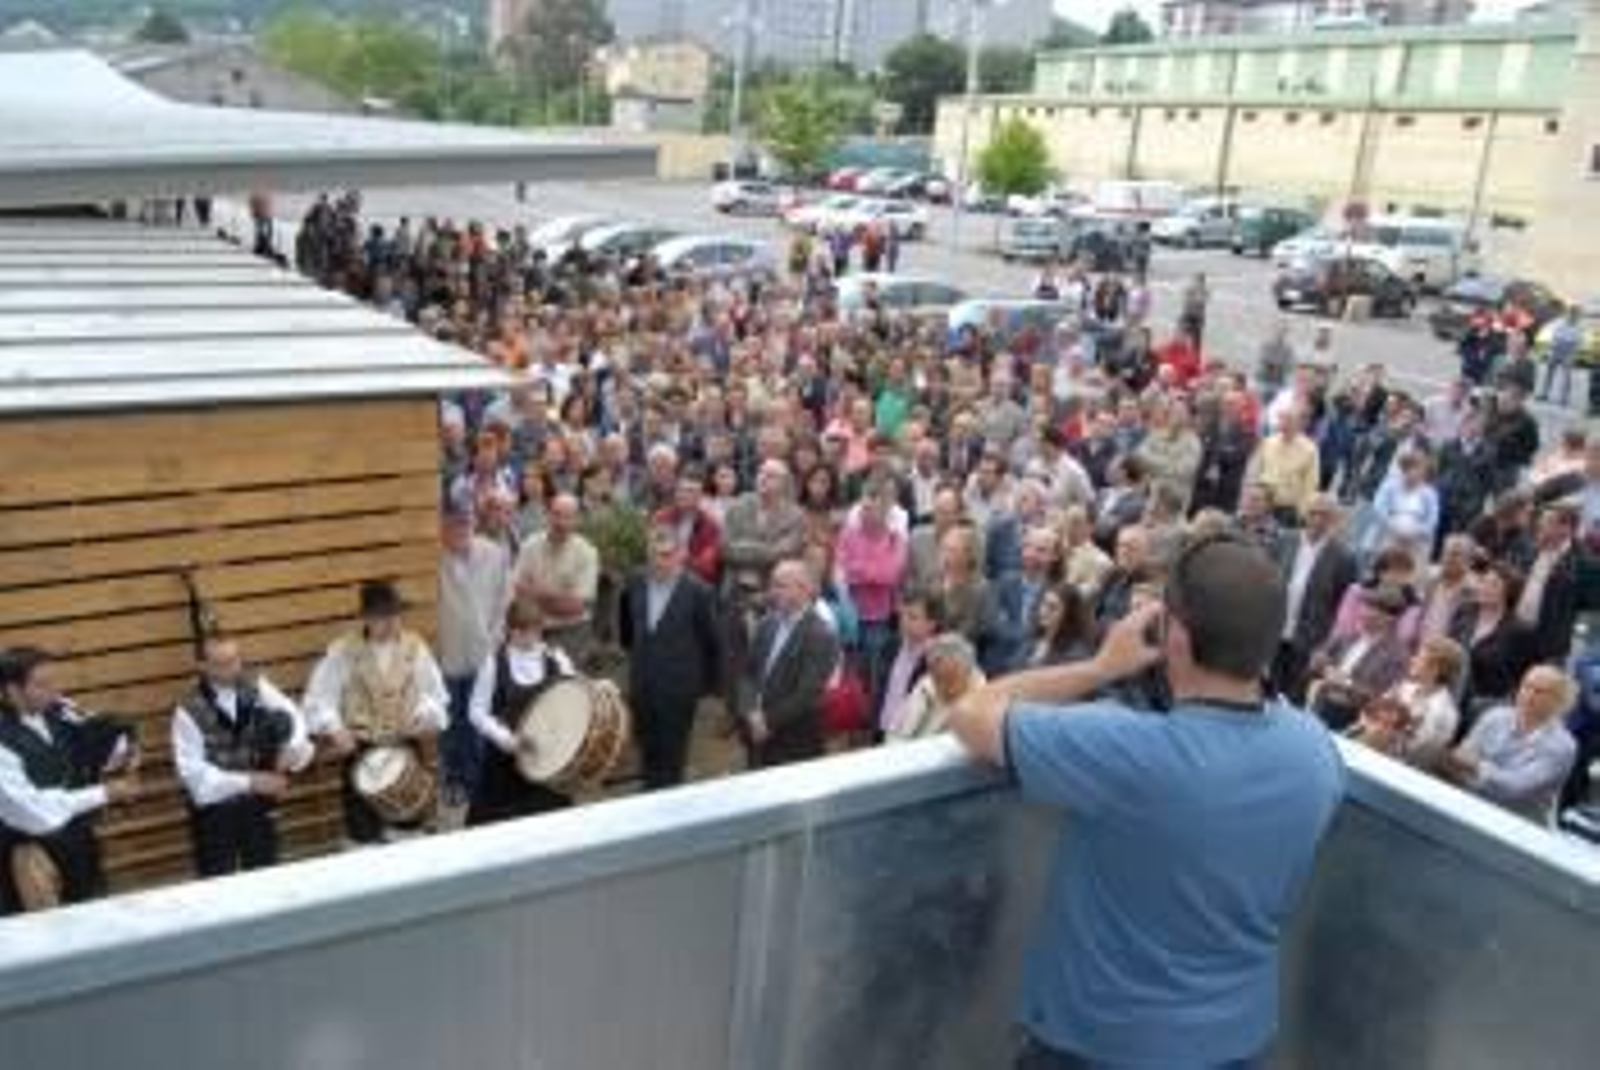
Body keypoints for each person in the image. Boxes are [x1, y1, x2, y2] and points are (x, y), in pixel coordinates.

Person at [948, 535, 1345, 1070]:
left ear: (1172, 634)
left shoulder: (1127, 749)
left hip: (1101, 1045)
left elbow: (971, 710)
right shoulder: (1314, 749)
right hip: (1234, 1042)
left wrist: (1101, 666)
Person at [303, 581, 450, 845]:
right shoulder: (342, 651)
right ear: (367, 618)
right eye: (384, 616)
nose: (392, 623)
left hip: (405, 749)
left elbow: (435, 696)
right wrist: (335, 728)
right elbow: (317, 701)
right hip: (361, 753)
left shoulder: (415, 648)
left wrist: (425, 715)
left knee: (409, 832)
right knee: (364, 837)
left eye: (395, 615)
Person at [0, 648, 141, 914]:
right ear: (13, 691)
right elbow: (35, 813)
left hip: (77, 842)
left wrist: (125, 754)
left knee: (90, 918)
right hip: (25, 851)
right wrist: (105, 793)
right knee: (41, 941)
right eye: (42, 684)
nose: (54, 691)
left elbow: (103, 734)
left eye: (54, 681)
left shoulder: (60, 710)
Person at [172, 633, 314, 877]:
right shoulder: (186, 711)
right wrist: (251, 781)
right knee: (219, 884)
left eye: (236, 660)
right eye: (222, 664)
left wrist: (290, 747)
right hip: (215, 815)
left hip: (257, 809)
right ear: (202, 666)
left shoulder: (256, 685)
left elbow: (293, 716)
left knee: (266, 877)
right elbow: (196, 779)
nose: (232, 669)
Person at [618, 525, 724, 789]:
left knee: (672, 753)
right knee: (647, 745)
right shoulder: (635, 582)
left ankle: (668, 800)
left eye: (667, 554)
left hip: (678, 687)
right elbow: (627, 629)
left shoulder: (699, 592)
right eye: (654, 554)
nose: (660, 561)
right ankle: (650, 791)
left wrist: (705, 685)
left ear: (681, 555)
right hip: (642, 681)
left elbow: (711, 642)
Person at [465, 598, 579, 826]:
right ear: (510, 631)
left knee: (551, 823)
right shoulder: (494, 663)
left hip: (546, 759)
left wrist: (599, 688)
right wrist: (505, 738)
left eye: (535, 632)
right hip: (504, 764)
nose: (530, 639)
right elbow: (475, 711)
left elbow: (576, 690)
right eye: (523, 633)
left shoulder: (555, 658)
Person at [436, 507, 512, 805]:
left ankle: (478, 781)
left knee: (479, 719)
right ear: (442, 528)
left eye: (464, 523)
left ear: (473, 524)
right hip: (447, 655)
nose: (459, 530)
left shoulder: (494, 553)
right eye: (452, 525)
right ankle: (454, 780)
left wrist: (495, 640)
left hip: (484, 654)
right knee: (452, 722)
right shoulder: (434, 558)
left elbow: (504, 600)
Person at [1442, 664, 1579, 825]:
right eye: (1526, 686)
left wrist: (1476, 766)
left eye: (1540, 692)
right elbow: (1458, 762)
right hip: (1469, 808)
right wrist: (1473, 769)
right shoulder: (1495, 717)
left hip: (1517, 827)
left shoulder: (1562, 746)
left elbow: (1515, 788)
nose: (1529, 695)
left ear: (1559, 701)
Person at [740, 559, 841, 769]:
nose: (773, 592)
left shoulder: (821, 635)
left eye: (781, 585)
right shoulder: (767, 623)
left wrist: (766, 721)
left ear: (803, 589)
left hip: (794, 742)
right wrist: (750, 712)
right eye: (773, 585)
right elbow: (748, 673)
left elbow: (806, 693)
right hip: (756, 734)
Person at [513, 493, 601, 665]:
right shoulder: (530, 545)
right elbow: (517, 591)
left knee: (561, 681)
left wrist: (535, 594)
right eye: (556, 514)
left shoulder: (587, 553)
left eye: (568, 517)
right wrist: (558, 598)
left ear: (577, 520)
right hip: (532, 626)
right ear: (548, 514)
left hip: (571, 630)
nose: (561, 522)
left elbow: (575, 607)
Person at [884, 634, 985, 742]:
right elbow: (898, 731)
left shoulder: (981, 704)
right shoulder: (926, 687)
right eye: (938, 679)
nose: (943, 687)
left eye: (950, 680)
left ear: (967, 673)